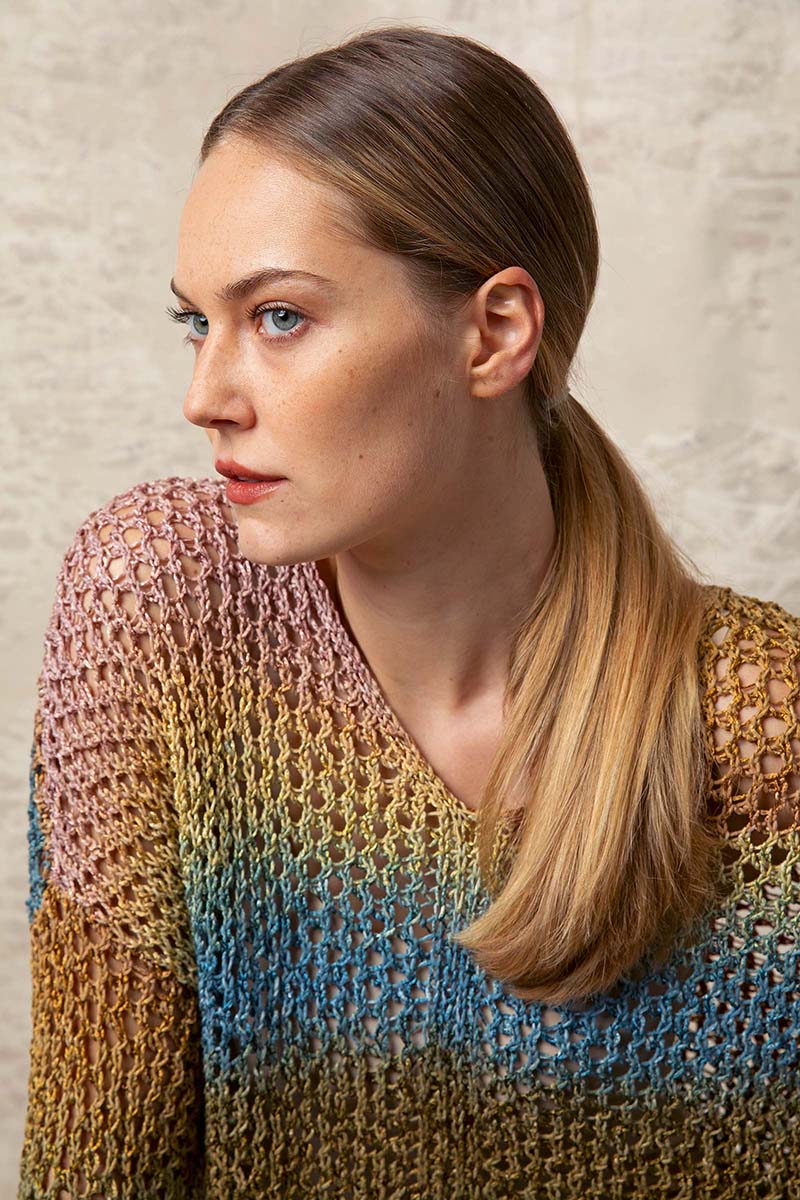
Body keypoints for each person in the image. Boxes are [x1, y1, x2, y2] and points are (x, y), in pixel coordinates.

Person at [18, 24, 800, 1200]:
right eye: (196, 322)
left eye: (278, 317)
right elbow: (93, 1170)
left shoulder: (764, 728)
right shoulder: (165, 611)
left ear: (494, 331)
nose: (205, 396)